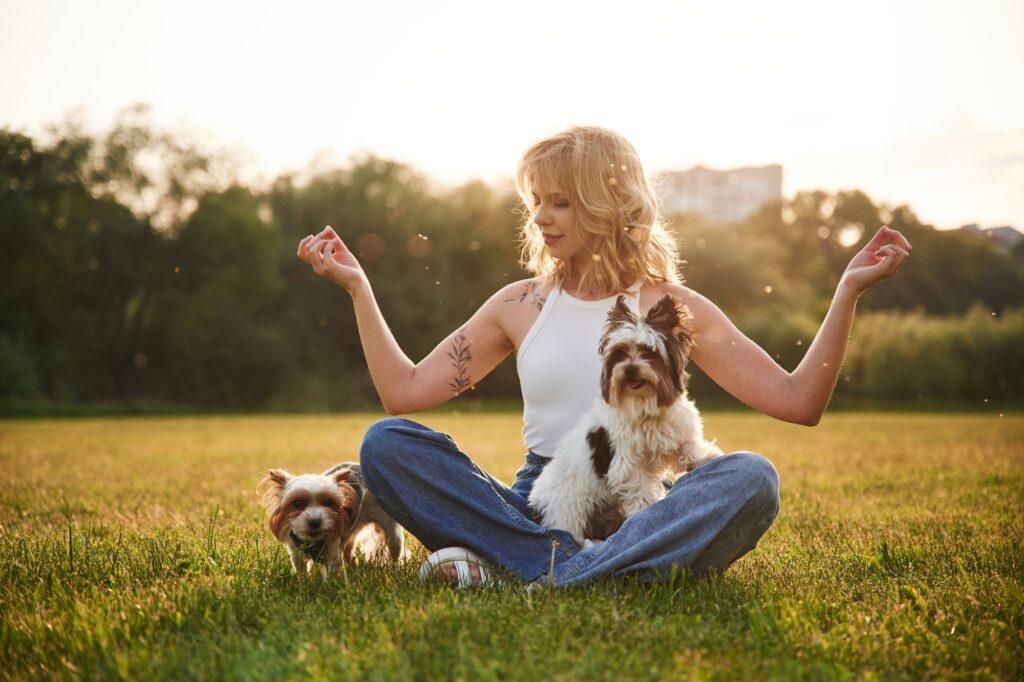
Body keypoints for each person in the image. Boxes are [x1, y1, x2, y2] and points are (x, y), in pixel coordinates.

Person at [296, 126, 911, 588]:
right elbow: (405, 393)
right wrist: (359, 287)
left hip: (642, 502)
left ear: (607, 202)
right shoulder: (519, 304)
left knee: (752, 478)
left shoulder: (674, 307)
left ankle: (532, 569)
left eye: (559, 201)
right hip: (540, 501)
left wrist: (847, 291)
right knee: (386, 443)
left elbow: (799, 402)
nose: (540, 217)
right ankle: (577, 567)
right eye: (535, 201)